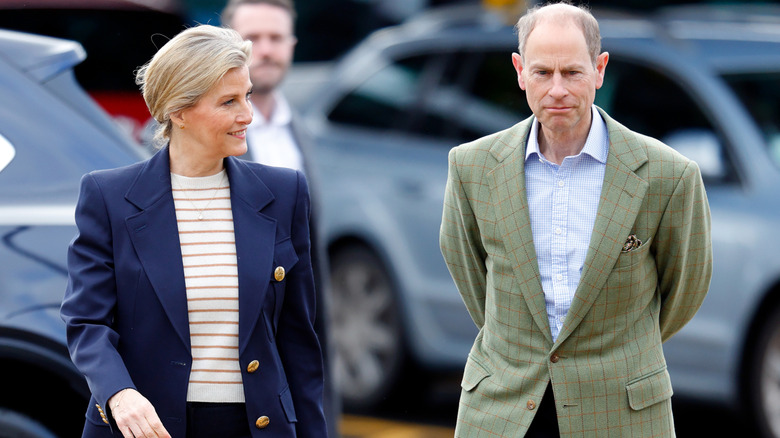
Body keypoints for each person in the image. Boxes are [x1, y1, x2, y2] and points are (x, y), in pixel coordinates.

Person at [439, 2, 713, 436]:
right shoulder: (471, 167)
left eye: (572, 72)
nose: (557, 90)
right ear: (520, 71)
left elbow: (685, 290)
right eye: (543, 72)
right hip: (502, 411)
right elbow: (472, 276)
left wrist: (622, 352)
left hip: (620, 413)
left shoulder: (669, 176)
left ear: (600, 70)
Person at [61, 25, 327, 438]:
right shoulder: (108, 196)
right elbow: (86, 321)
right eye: (229, 101)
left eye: (247, 96)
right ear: (179, 111)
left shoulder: (284, 192)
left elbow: (299, 341)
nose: (247, 115)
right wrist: (118, 393)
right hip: (145, 426)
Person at [220, 1, 338, 435]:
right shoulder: (202, 131)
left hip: (296, 331)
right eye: (252, 39)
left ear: (292, 44)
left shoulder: (301, 130)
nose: (265, 50)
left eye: (276, 38)